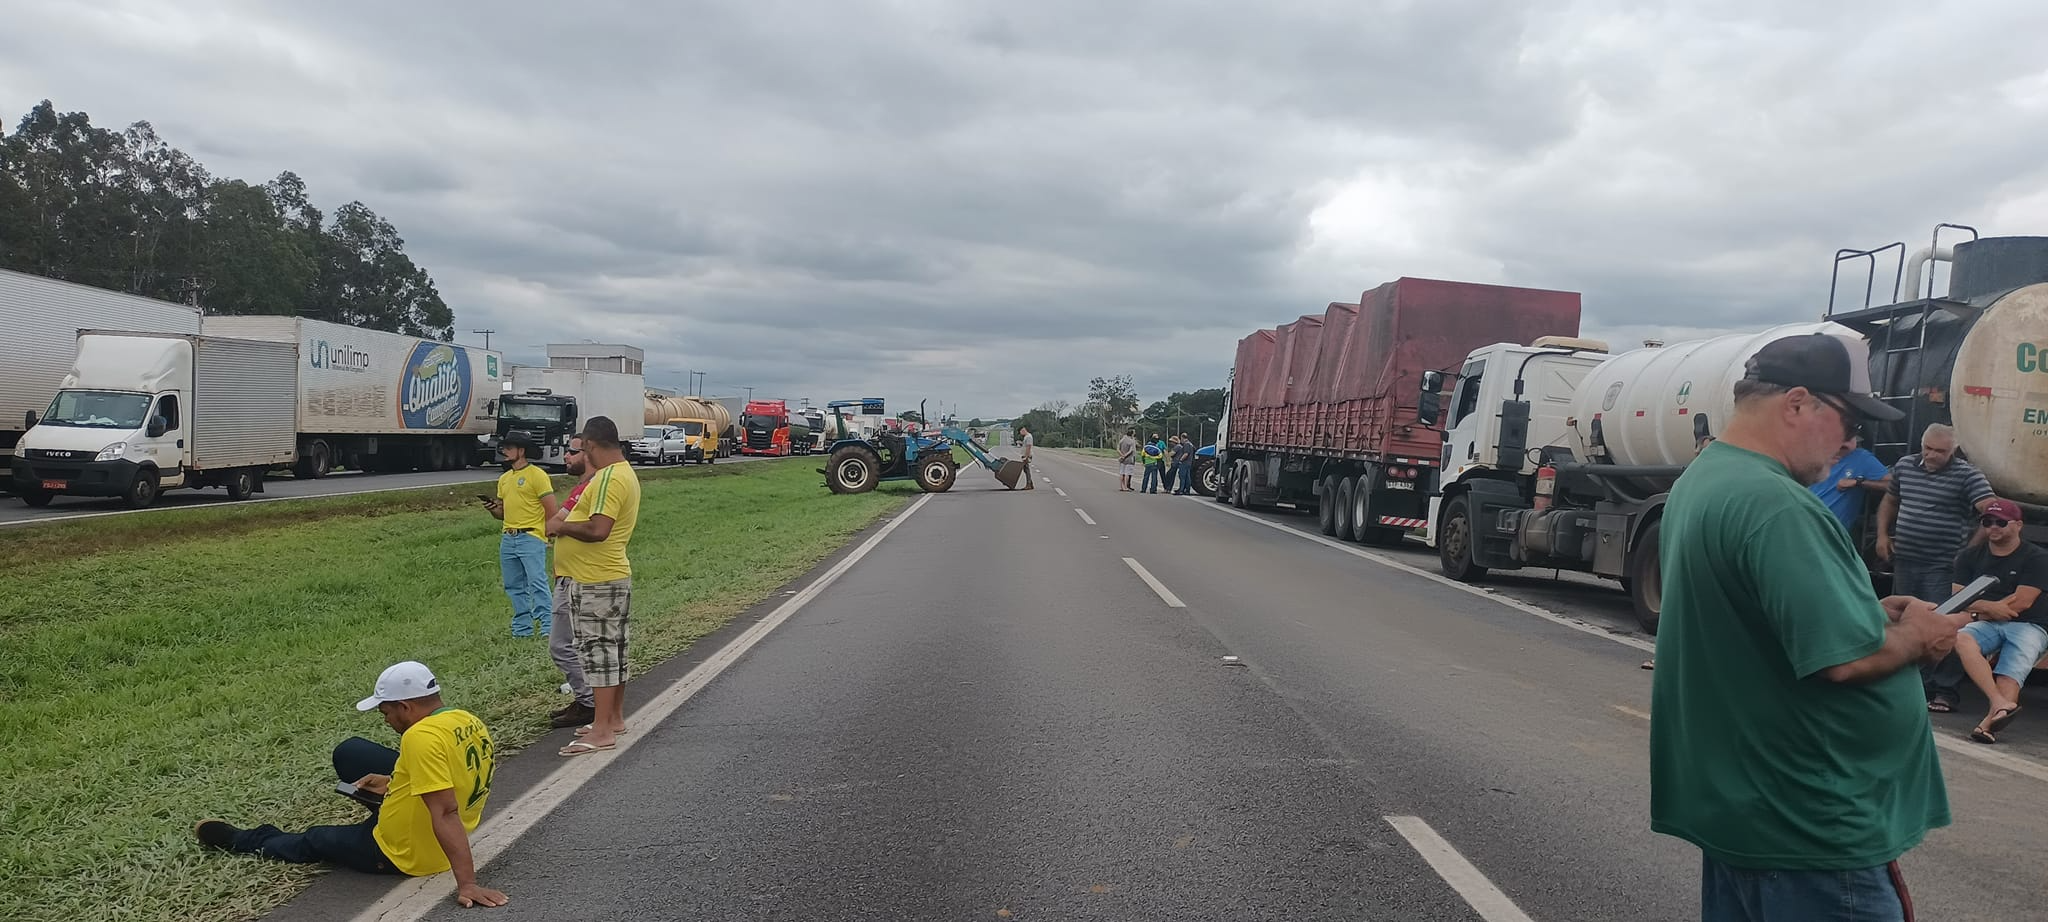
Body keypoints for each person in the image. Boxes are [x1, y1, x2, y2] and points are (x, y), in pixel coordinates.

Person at [1651, 332, 1964, 922]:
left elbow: (1761, 622)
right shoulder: (1778, 505)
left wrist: (1869, 612)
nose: (1851, 442)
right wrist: (1922, 635)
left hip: (1751, 808)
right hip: (1810, 827)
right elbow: (1840, 659)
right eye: (1849, 420)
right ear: (1796, 403)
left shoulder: (1706, 481)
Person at [195, 662, 508, 909]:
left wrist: (467, 883)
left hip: (406, 852)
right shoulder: (465, 719)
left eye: (386, 712)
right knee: (352, 752)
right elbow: (453, 775)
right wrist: (391, 784)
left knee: (315, 839)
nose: (385, 720)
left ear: (405, 706)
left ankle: (242, 839)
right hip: (422, 818)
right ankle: (385, 795)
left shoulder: (419, 737)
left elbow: (445, 812)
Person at [549, 417, 642, 756]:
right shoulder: (624, 473)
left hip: (595, 578)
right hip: (605, 574)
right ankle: (612, 718)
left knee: (598, 652)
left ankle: (602, 730)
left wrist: (563, 526)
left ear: (589, 444)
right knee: (612, 650)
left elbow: (598, 529)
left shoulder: (608, 478)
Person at [1921, 500, 2047, 738]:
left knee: (2011, 669)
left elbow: (2022, 602)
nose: (1993, 527)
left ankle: (1987, 725)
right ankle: (1999, 702)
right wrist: (1991, 608)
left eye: (2001, 522)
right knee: (1961, 638)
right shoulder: (1970, 556)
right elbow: (1959, 596)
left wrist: (1978, 608)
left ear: (2018, 525)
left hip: (2030, 624)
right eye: (1987, 522)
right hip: (1988, 621)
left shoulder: (2036, 557)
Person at [1878, 423, 1996, 604]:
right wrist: (1882, 535)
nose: (1932, 455)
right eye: (1928, 448)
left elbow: (1993, 511)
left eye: (1940, 451)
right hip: (1904, 559)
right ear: (1922, 444)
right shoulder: (1905, 465)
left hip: (1942, 565)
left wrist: (1969, 551)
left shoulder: (1967, 475)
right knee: (1902, 612)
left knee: (1936, 614)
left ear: (1953, 450)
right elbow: (1890, 500)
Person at [543, 436, 597, 729]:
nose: (565, 456)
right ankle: (585, 697)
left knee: (561, 645)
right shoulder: (583, 487)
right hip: (570, 574)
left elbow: (554, 524)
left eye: (572, 451)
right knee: (578, 644)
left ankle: (589, 702)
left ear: (587, 454)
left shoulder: (587, 489)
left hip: (574, 576)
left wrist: (560, 527)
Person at [485, 432, 559, 638]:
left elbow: (551, 509)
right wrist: (493, 509)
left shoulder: (537, 475)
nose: (504, 451)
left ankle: (548, 627)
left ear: (521, 451)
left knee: (537, 582)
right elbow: (502, 513)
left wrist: (548, 534)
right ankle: (522, 630)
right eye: (504, 448)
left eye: (509, 448)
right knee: (514, 586)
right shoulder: (504, 479)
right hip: (508, 537)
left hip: (531, 536)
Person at [1811, 435, 1891, 530]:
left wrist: (1858, 482)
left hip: (1830, 530)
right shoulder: (1811, 453)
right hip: (1800, 520)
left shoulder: (1861, 458)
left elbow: (1894, 485)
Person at [1116, 428, 1138, 492]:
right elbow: (1131, 450)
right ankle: (1125, 487)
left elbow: (1118, 449)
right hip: (1129, 459)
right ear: (1132, 434)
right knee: (1127, 473)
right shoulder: (1132, 441)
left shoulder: (1122, 440)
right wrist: (1125, 455)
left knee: (1121, 473)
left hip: (1122, 459)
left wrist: (1122, 455)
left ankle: (1121, 486)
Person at [1016, 426, 1035, 490]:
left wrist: (1026, 456)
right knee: (1026, 469)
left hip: (1027, 455)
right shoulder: (1027, 437)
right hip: (1025, 455)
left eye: (1020, 432)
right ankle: (1030, 484)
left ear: (1023, 430)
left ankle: (1029, 484)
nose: (1020, 434)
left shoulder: (1028, 437)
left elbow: (1028, 447)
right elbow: (1025, 445)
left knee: (1026, 470)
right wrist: (1021, 443)